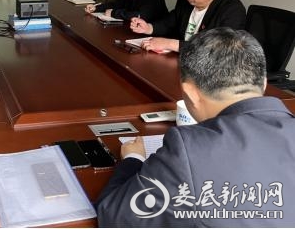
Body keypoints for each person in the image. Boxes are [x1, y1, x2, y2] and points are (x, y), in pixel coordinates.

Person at [97, 27, 295, 226]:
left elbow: (113, 216)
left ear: (191, 93)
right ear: (263, 83)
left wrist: (133, 159)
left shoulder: (188, 150)